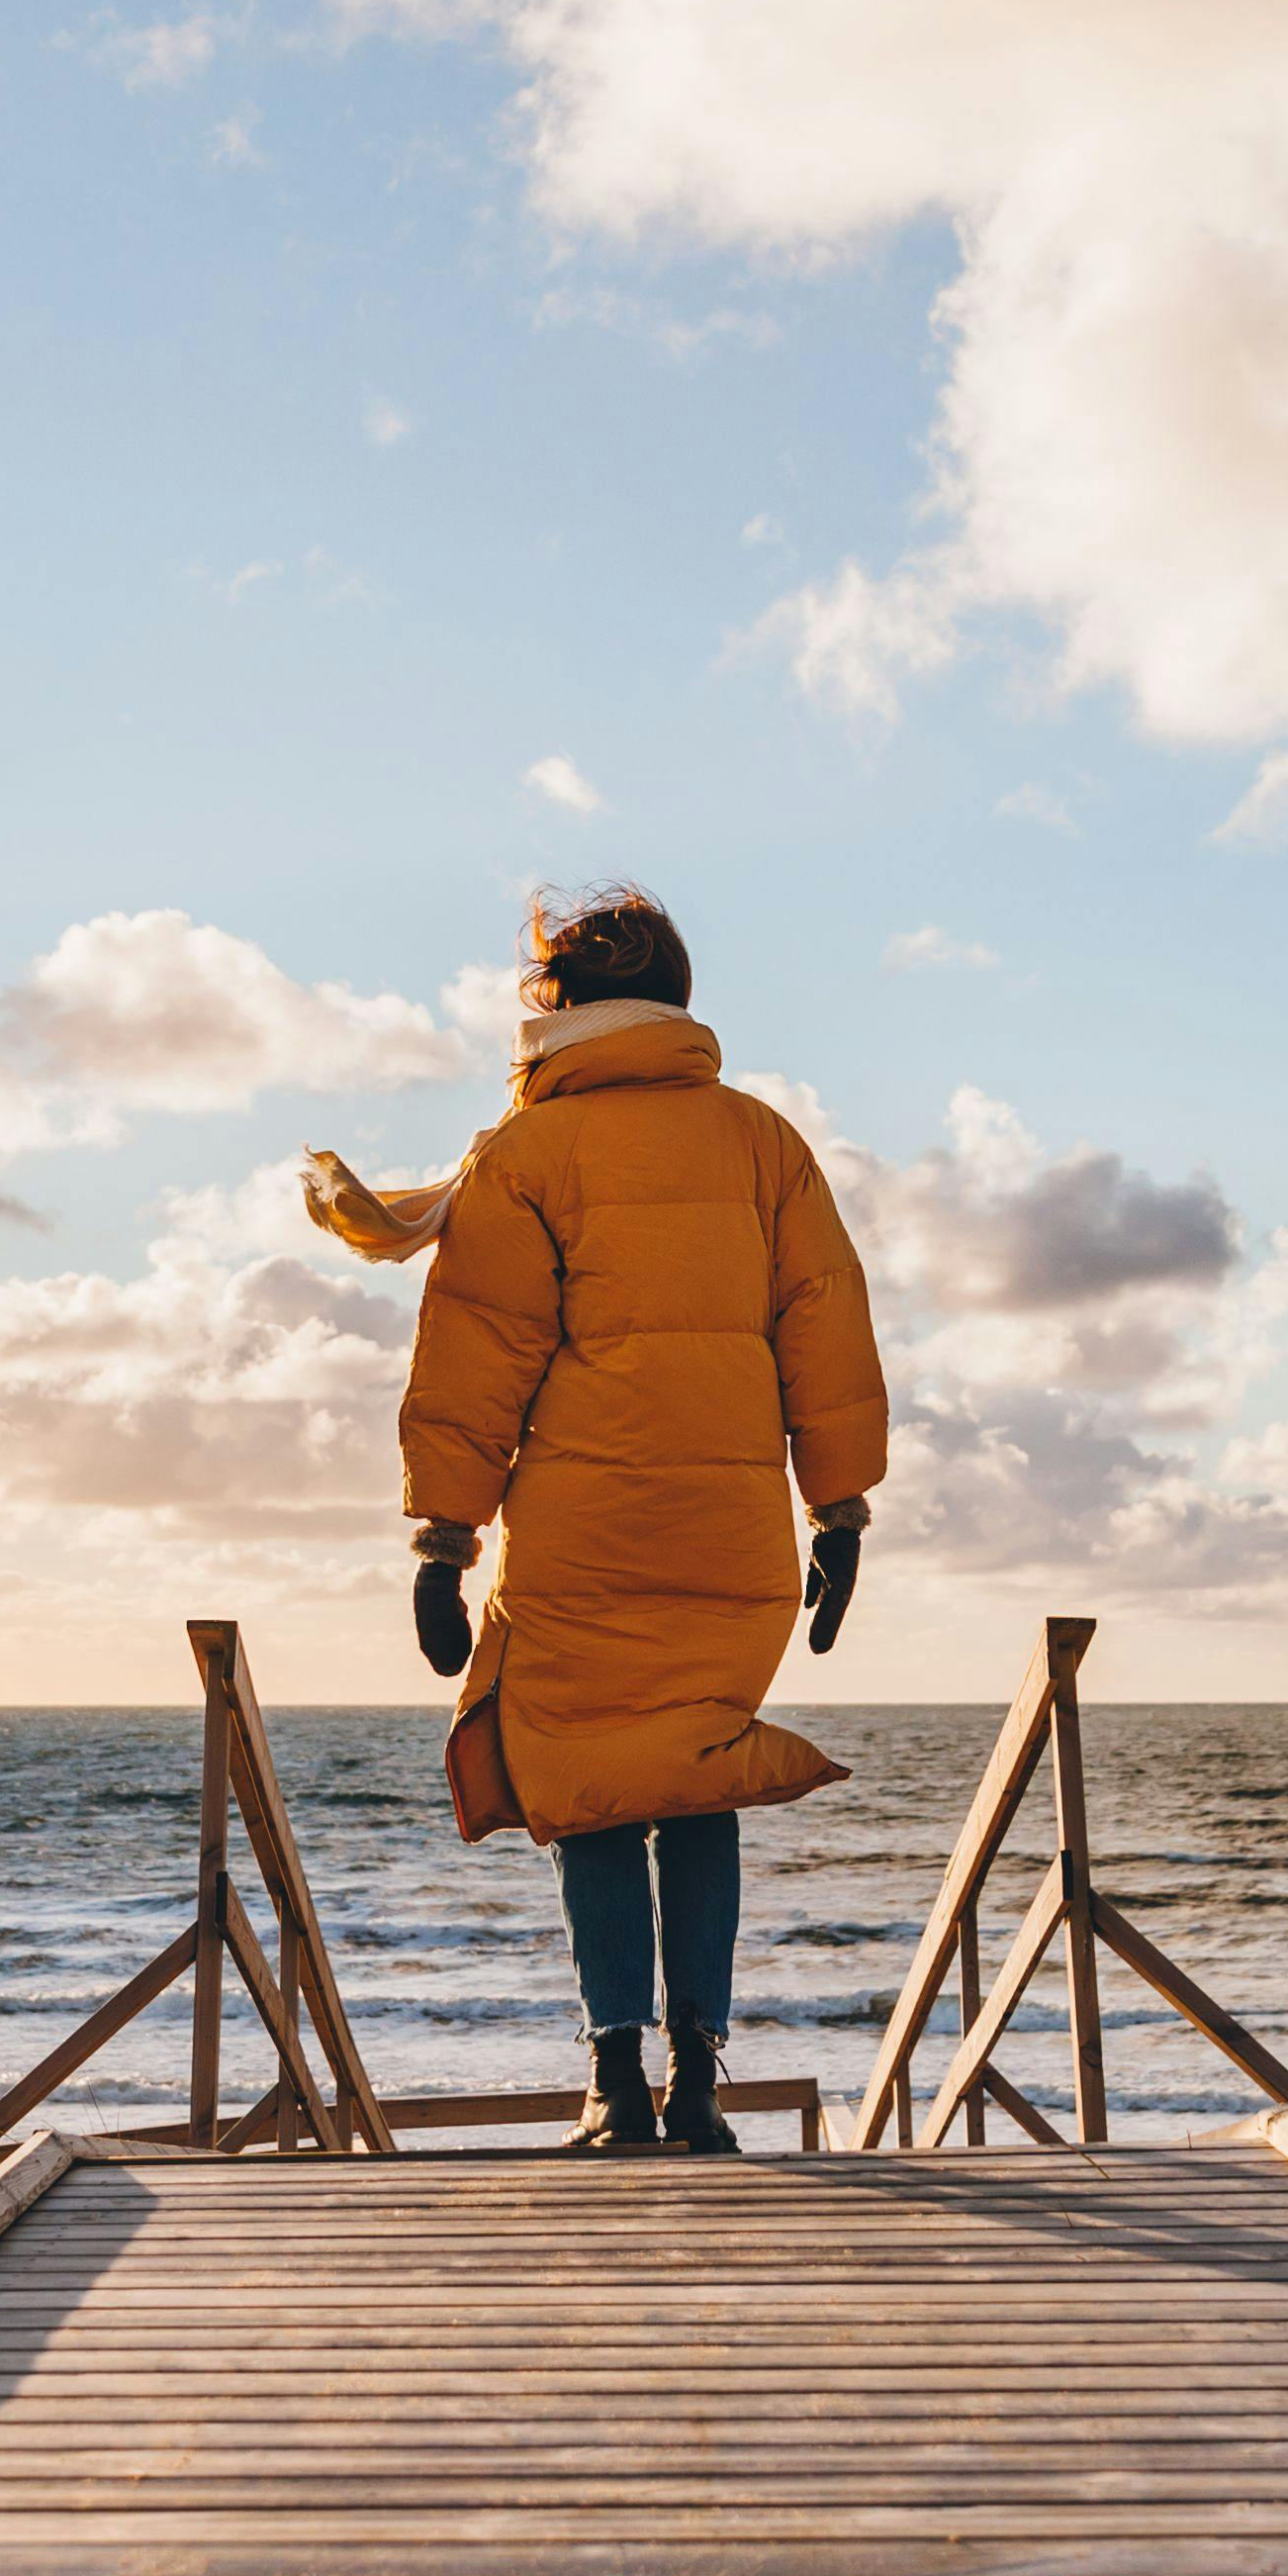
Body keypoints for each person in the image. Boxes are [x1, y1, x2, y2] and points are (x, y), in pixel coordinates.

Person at [308, 887, 887, 2160]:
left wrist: (444, 1541)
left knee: (591, 1790)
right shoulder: (762, 1141)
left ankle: (615, 2080)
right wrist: (837, 1510)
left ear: (556, 1013)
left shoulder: (524, 1156)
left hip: (582, 1528)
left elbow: (478, 1361)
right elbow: (824, 1330)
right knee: (695, 1777)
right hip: (730, 1533)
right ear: (677, 1003)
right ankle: (701, 2083)